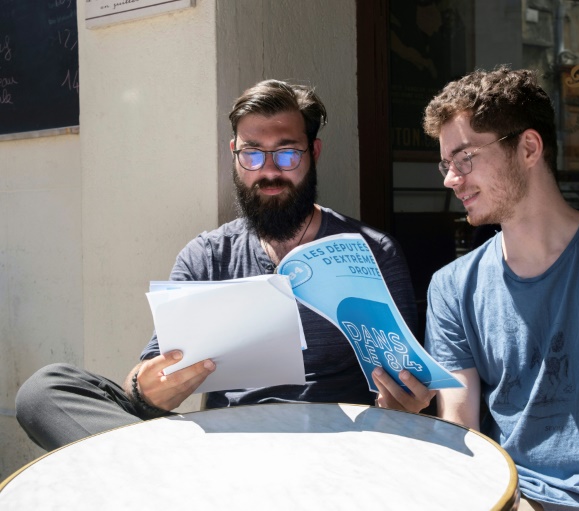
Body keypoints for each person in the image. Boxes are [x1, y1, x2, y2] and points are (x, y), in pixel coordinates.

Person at [373, 66, 579, 511]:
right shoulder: (452, 287)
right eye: (446, 164)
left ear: (529, 147)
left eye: (465, 158)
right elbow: (462, 430)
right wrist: (409, 417)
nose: (450, 179)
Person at [17, 79, 417, 452]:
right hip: (223, 449)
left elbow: (406, 384)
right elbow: (152, 373)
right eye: (252, 153)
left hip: (331, 446)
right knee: (44, 390)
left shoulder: (373, 252)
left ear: (313, 153)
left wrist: (402, 404)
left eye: (287, 152)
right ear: (234, 154)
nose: (269, 170)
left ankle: (154, 485)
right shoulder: (207, 255)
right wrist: (147, 390)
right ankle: (160, 476)